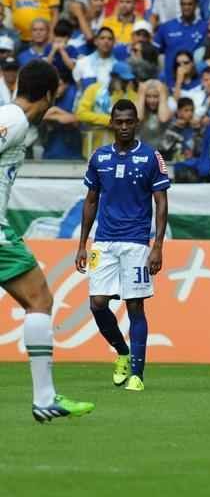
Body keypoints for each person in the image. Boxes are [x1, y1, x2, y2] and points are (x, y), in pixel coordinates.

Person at [4, 61, 95, 420]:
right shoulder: (13, 121)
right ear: (47, 95)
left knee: (39, 298)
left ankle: (46, 399)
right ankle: (44, 399)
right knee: (39, 298)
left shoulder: (15, 120)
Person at [75, 98, 170, 392]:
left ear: (137, 123)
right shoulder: (99, 158)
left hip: (136, 243)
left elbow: (161, 203)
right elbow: (90, 201)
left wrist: (157, 246)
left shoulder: (151, 157)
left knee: (135, 306)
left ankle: (137, 374)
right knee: (97, 304)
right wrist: (82, 244)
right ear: (112, 123)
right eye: (120, 121)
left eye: (130, 121)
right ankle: (122, 353)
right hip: (104, 241)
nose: (125, 126)